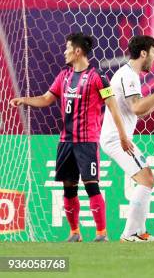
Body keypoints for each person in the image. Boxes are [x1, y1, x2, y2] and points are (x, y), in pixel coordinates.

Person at [9, 33, 134, 242]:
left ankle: (101, 233)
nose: (65, 51)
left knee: (91, 185)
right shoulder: (63, 76)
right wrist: (24, 100)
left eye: (68, 48)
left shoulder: (98, 78)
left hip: (87, 142)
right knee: (68, 188)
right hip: (65, 142)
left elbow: (113, 108)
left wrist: (123, 136)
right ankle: (74, 232)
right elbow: (47, 99)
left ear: (77, 51)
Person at [100, 35, 154, 242]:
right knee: (147, 179)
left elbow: (140, 112)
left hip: (119, 137)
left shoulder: (129, 75)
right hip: (117, 138)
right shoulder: (128, 76)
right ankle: (131, 234)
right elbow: (137, 107)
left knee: (146, 180)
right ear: (143, 53)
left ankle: (138, 232)